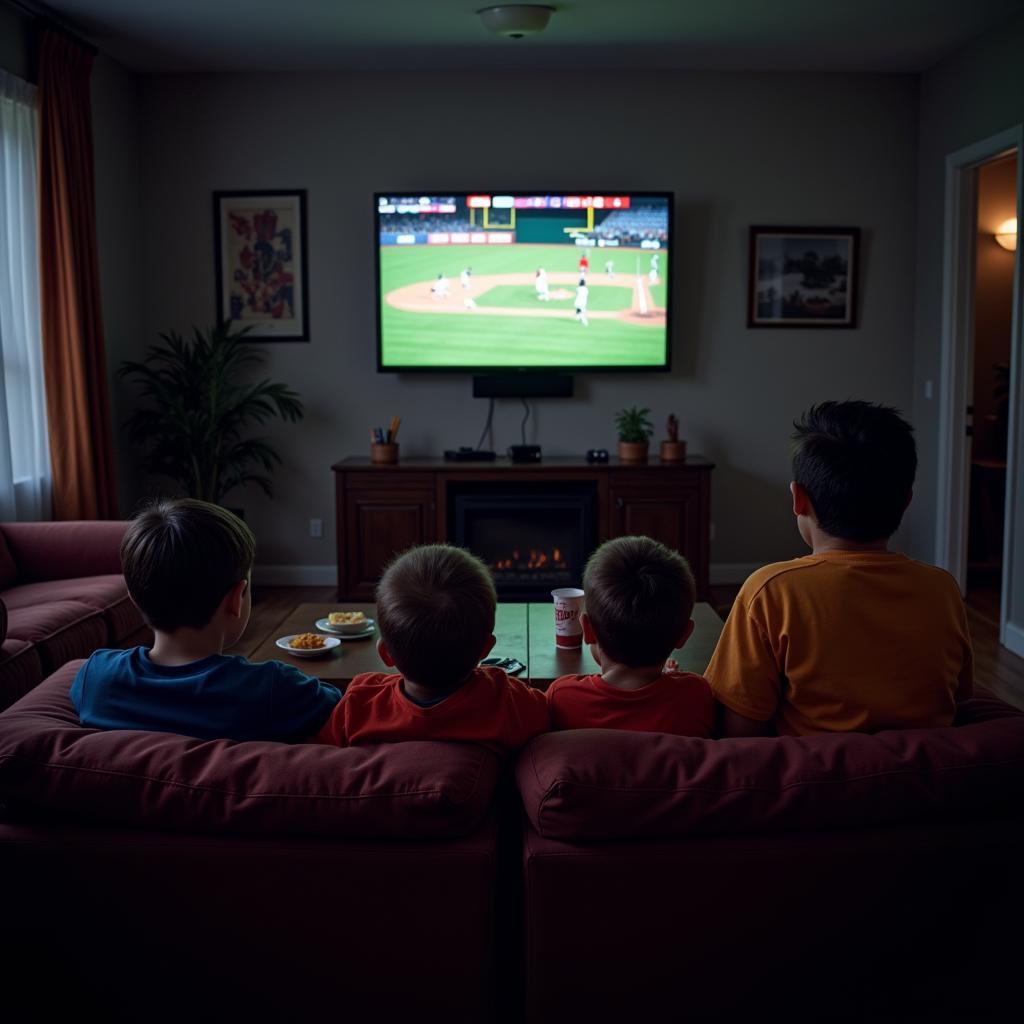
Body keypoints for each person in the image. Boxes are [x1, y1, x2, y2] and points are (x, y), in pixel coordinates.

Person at [705, 400, 974, 737]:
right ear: (906, 500)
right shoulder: (943, 589)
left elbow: (739, 731)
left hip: (818, 782)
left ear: (798, 499)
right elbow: (958, 698)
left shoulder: (770, 591)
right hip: (926, 781)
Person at [71, 500, 341, 741]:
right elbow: (337, 708)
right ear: (236, 599)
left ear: (134, 598)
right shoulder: (274, 688)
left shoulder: (95, 677)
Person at [315, 544, 548, 752]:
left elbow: (325, 759)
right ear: (486, 649)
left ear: (386, 653)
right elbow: (545, 721)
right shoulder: (509, 702)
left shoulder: (357, 706)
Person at [547, 536, 714, 736]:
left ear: (587, 630)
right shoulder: (697, 696)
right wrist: (674, 681)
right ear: (684, 635)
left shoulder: (562, 698)